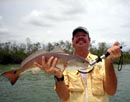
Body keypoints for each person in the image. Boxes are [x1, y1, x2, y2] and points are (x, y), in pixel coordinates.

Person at [34, 26, 121, 102]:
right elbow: (64, 97)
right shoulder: (62, 64)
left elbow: (111, 91)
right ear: (72, 41)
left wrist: (109, 62)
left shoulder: (101, 62)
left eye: (83, 35)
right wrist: (58, 77)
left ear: (89, 40)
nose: (80, 37)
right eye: (77, 36)